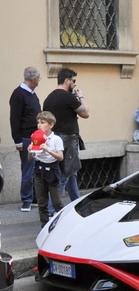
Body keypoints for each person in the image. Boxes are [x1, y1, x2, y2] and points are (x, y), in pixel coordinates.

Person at [43, 67, 89, 201]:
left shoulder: (49, 98)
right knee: (64, 175)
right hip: (68, 140)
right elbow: (85, 113)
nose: (75, 84)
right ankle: (53, 209)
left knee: (71, 173)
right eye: (73, 81)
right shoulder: (69, 97)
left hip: (54, 139)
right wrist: (81, 96)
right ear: (67, 80)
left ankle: (76, 202)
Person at [9, 66, 42, 212]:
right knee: (28, 169)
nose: (39, 81)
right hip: (26, 137)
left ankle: (34, 197)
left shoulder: (32, 94)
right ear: (33, 79)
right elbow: (14, 119)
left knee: (36, 168)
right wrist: (17, 140)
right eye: (39, 78)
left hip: (36, 136)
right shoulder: (19, 94)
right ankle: (26, 199)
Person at [27, 111, 64, 226]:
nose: (39, 125)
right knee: (41, 202)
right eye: (38, 122)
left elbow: (60, 157)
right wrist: (30, 151)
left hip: (52, 170)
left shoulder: (56, 139)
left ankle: (63, 223)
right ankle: (44, 225)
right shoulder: (35, 137)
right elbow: (31, 159)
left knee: (56, 202)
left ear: (51, 125)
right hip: (39, 170)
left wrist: (48, 150)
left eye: (42, 123)